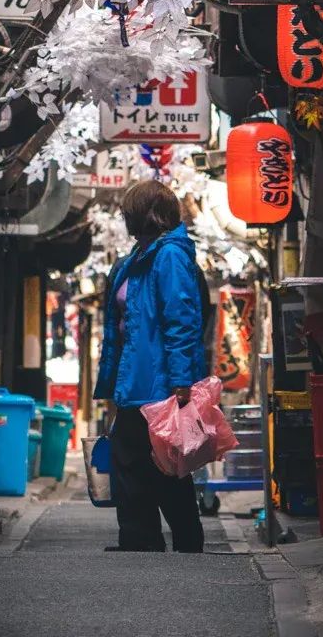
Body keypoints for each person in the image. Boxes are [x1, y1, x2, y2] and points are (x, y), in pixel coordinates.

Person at [94, 179, 207, 553]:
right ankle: (141, 540)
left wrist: (181, 379)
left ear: (147, 214)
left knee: (164, 464)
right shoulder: (137, 257)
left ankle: (181, 540)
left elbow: (182, 318)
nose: (125, 217)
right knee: (133, 461)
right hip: (134, 380)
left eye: (130, 211)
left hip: (158, 382)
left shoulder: (169, 255)